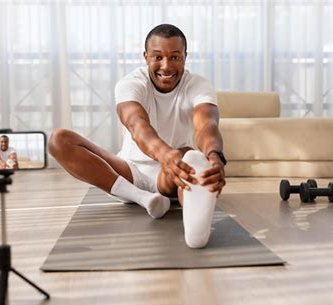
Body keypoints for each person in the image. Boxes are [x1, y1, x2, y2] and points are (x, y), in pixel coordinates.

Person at [49, 24, 226, 248]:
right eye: (158, 57)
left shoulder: (198, 85)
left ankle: (195, 221)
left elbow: (207, 125)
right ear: (145, 56)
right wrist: (165, 155)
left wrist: (215, 156)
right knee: (59, 140)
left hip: (173, 173)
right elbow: (136, 125)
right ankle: (142, 198)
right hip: (129, 171)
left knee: (189, 156)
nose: (166, 66)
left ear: (185, 57)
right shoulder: (131, 83)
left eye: (175, 57)